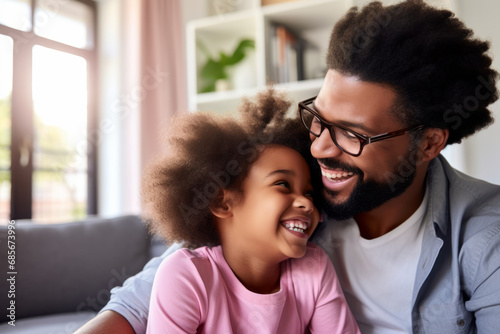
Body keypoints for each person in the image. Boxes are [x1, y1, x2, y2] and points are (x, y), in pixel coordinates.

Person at [76, 0, 500, 333]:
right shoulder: (294, 184)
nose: (319, 148)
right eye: (319, 119)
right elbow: (140, 301)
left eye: (352, 134)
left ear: (428, 142)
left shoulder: (484, 236)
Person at [141, 89, 359, 333]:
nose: (307, 204)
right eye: (283, 185)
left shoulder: (315, 267)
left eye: (309, 193)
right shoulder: (187, 275)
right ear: (223, 203)